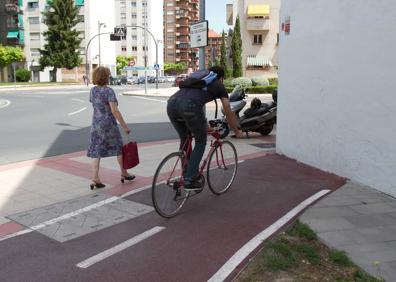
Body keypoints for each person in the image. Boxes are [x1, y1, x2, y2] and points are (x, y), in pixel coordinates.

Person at [167, 66, 243, 191]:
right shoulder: (218, 85)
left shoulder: (197, 81)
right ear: (221, 78)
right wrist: (236, 130)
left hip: (172, 104)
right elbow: (228, 111)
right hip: (190, 106)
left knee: (185, 138)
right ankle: (190, 178)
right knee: (200, 141)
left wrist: (206, 126)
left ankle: (186, 172)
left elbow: (197, 111)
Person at [87, 66, 135, 189]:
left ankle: (95, 178)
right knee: (118, 148)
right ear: (105, 77)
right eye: (108, 75)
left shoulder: (93, 90)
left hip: (96, 124)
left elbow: (95, 105)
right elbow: (114, 110)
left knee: (96, 151)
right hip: (108, 125)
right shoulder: (108, 91)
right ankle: (124, 172)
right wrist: (124, 126)